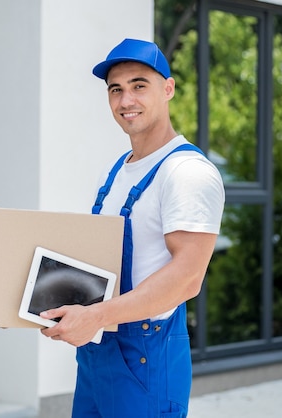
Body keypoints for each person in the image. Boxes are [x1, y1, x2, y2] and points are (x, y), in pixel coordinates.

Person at [40, 39, 225, 417]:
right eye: (116, 90)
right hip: (97, 352)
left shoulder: (186, 172)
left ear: (168, 89)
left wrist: (96, 316)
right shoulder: (116, 172)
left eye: (139, 85)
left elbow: (188, 278)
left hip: (145, 357)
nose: (126, 101)